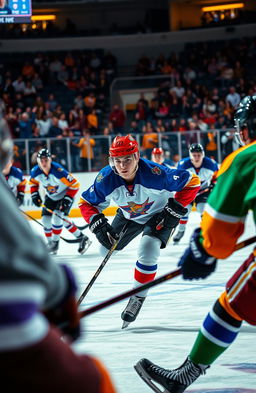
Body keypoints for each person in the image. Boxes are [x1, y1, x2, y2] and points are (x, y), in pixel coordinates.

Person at [134, 95, 256, 392]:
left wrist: (202, 249)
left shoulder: (245, 157)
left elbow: (219, 238)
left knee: (231, 303)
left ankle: (186, 374)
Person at [0, 117, 117, 393]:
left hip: (63, 196)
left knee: (59, 220)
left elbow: (74, 185)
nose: (41, 165)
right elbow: (24, 259)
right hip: (14, 336)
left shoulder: (59, 169)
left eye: (44, 162)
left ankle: (77, 237)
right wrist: (61, 291)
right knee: (91, 381)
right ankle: (65, 241)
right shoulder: (29, 173)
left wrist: (63, 201)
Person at [79, 134, 200, 328]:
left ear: (137, 157)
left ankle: (137, 296)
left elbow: (192, 182)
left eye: (127, 159)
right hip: (128, 215)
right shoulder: (106, 178)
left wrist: (176, 207)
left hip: (159, 214)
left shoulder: (156, 173)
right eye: (117, 161)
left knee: (148, 249)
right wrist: (97, 224)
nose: (122, 166)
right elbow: (86, 202)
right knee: (105, 249)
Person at [29, 148, 91, 255]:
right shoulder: (35, 171)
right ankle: (53, 244)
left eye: (46, 160)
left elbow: (75, 184)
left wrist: (67, 199)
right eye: (41, 160)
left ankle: (55, 243)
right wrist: (35, 194)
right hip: (50, 197)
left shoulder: (58, 171)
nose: (44, 163)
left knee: (58, 217)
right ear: (38, 161)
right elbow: (33, 183)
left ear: (50, 160)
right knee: (45, 219)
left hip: (65, 195)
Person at [173, 143, 218, 244]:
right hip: (188, 191)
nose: (197, 157)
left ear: (203, 154)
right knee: (185, 210)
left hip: (203, 191)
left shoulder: (211, 163)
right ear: (190, 155)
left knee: (203, 209)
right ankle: (181, 231)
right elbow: (177, 179)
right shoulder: (183, 164)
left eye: (199, 155)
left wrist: (214, 184)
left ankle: (205, 231)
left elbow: (218, 175)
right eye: (194, 155)